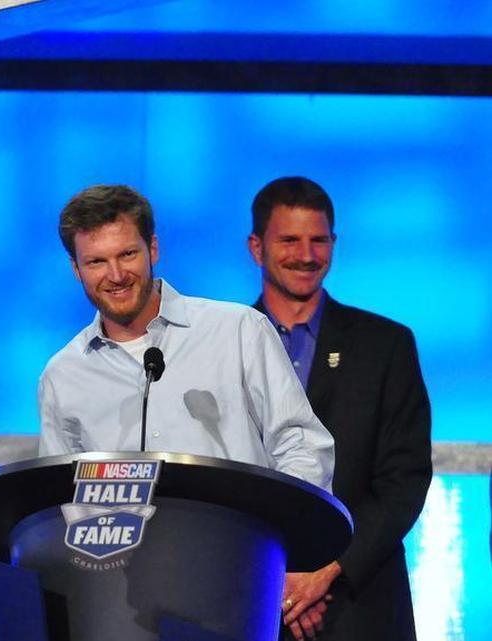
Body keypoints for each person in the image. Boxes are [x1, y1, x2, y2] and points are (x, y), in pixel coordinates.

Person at [37, 184, 334, 491]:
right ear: (76, 268)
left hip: (233, 536)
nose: (115, 275)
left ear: (153, 248)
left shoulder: (237, 331)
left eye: (127, 254)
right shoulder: (63, 375)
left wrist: (271, 525)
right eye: (96, 262)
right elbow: (61, 495)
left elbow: (302, 448)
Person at [248, 177, 431, 641]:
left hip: (358, 604)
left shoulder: (386, 346)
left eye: (319, 239)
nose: (306, 255)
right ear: (256, 247)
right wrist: (279, 579)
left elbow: (403, 479)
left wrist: (325, 571)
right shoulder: (221, 347)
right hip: (247, 602)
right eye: (289, 239)